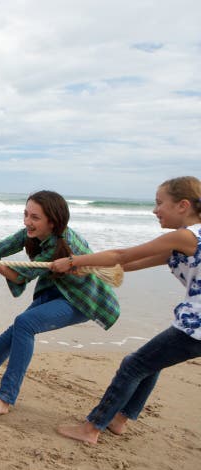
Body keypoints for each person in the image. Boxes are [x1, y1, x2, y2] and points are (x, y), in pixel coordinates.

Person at [52, 176, 201, 444]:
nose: (155, 210)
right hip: (195, 324)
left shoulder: (185, 236)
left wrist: (74, 259)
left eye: (159, 203)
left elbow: (121, 255)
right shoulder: (186, 241)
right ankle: (119, 420)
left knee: (133, 365)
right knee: (149, 363)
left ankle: (91, 428)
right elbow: (130, 264)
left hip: (196, 325)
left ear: (183, 205)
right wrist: (89, 266)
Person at [0, 190, 120, 417]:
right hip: (57, 290)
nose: (28, 221)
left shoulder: (61, 243)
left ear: (53, 221)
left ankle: (4, 398)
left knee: (25, 323)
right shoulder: (31, 233)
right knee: (14, 332)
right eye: (26, 214)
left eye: (35, 217)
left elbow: (19, 276)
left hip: (83, 300)